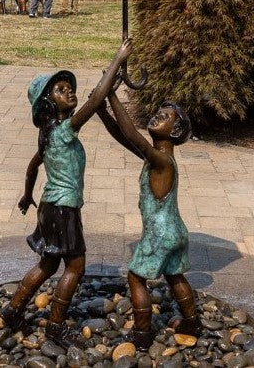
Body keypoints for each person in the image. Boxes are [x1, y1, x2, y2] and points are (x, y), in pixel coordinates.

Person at [0, 39, 132, 350]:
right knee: (76, 266)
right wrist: (117, 59)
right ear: (48, 104)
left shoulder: (48, 137)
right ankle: (56, 326)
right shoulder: (63, 130)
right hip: (64, 208)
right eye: (60, 90)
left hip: (49, 206)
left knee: (48, 263)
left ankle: (12, 311)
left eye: (67, 87)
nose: (68, 91)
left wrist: (26, 196)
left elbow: (33, 167)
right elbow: (96, 100)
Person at [99, 92, 203, 351]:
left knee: (135, 278)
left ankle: (142, 332)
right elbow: (124, 137)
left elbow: (132, 135)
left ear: (175, 130)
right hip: (175, 231)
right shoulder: (157, 158)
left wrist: (111, 95)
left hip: (159, 234)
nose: (158, 116)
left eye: (166, 117)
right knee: (174, 275)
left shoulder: (162, 162)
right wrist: (102, 112)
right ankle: (192, 322)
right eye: (159, 112)